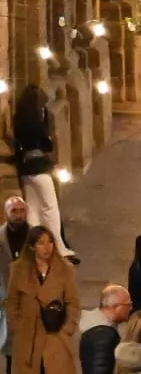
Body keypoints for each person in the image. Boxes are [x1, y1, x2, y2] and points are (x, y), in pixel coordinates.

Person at [8, 225, 79, 374]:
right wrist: (18, 327)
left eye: (49, 242)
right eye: (41, 242)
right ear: (31, 246)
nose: (47, 247)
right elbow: (11, 302)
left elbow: (73, 303)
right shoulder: (18, 270)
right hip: (29, 338)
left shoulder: (64, 269)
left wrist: (67, 329)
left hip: (55, 336)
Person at [12, 85, 74, 258]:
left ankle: (35, 245)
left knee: (33, 209)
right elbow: (47, 145)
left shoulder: (18, 120)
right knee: (50, 207)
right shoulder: (36, 122)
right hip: (39, 167)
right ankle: (57, 247)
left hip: (25, 169)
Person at [78, 284, 129, 374]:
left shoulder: (97, 329)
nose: (131, 308)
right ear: (116, 307)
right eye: (128, 305)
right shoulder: (104, 335)